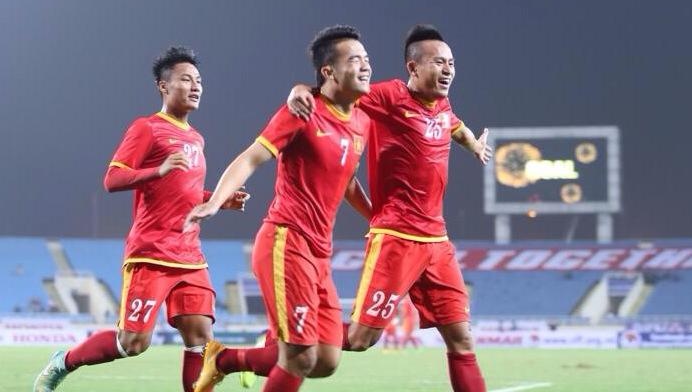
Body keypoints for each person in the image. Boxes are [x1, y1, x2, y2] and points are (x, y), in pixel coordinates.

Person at [287, 24, 492, 392]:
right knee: (361, 339)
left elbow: (454, 126)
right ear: (413, 67)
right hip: (397, 238)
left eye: (451, 63)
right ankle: (273, 347)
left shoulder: (442, 105)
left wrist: (474, 145)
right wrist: (301, 90)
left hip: (437, 242)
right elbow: (334, 94)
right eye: (438, 63)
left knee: (462, 339)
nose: (448, 70)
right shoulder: (388, 97)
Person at [33, 46, 248, 392]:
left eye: (199, 80)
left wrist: (218, 200)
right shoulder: (147, 128)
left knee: (201, 341)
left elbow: (185, 190)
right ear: (163, 86)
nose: (195, 86)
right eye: (185, 79)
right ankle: (64, 361)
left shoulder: (196, 138)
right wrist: (156, 170)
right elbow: (112, 179)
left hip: (190, 255)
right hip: (152, 253)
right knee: (132, 343)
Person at [186, 25, 372, 392]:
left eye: (367, 59)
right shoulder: (302, 111)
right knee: (300, 357)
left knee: (326, 360)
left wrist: (376, 217)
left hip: (320, 252)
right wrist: (215, 201)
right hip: (287, 242)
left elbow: (347, 179)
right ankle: (231, 359)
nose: (366, 66)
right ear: (329, 71)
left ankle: (223, 359)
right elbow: (251, 157)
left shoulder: (362, 120)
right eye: (355, 60)